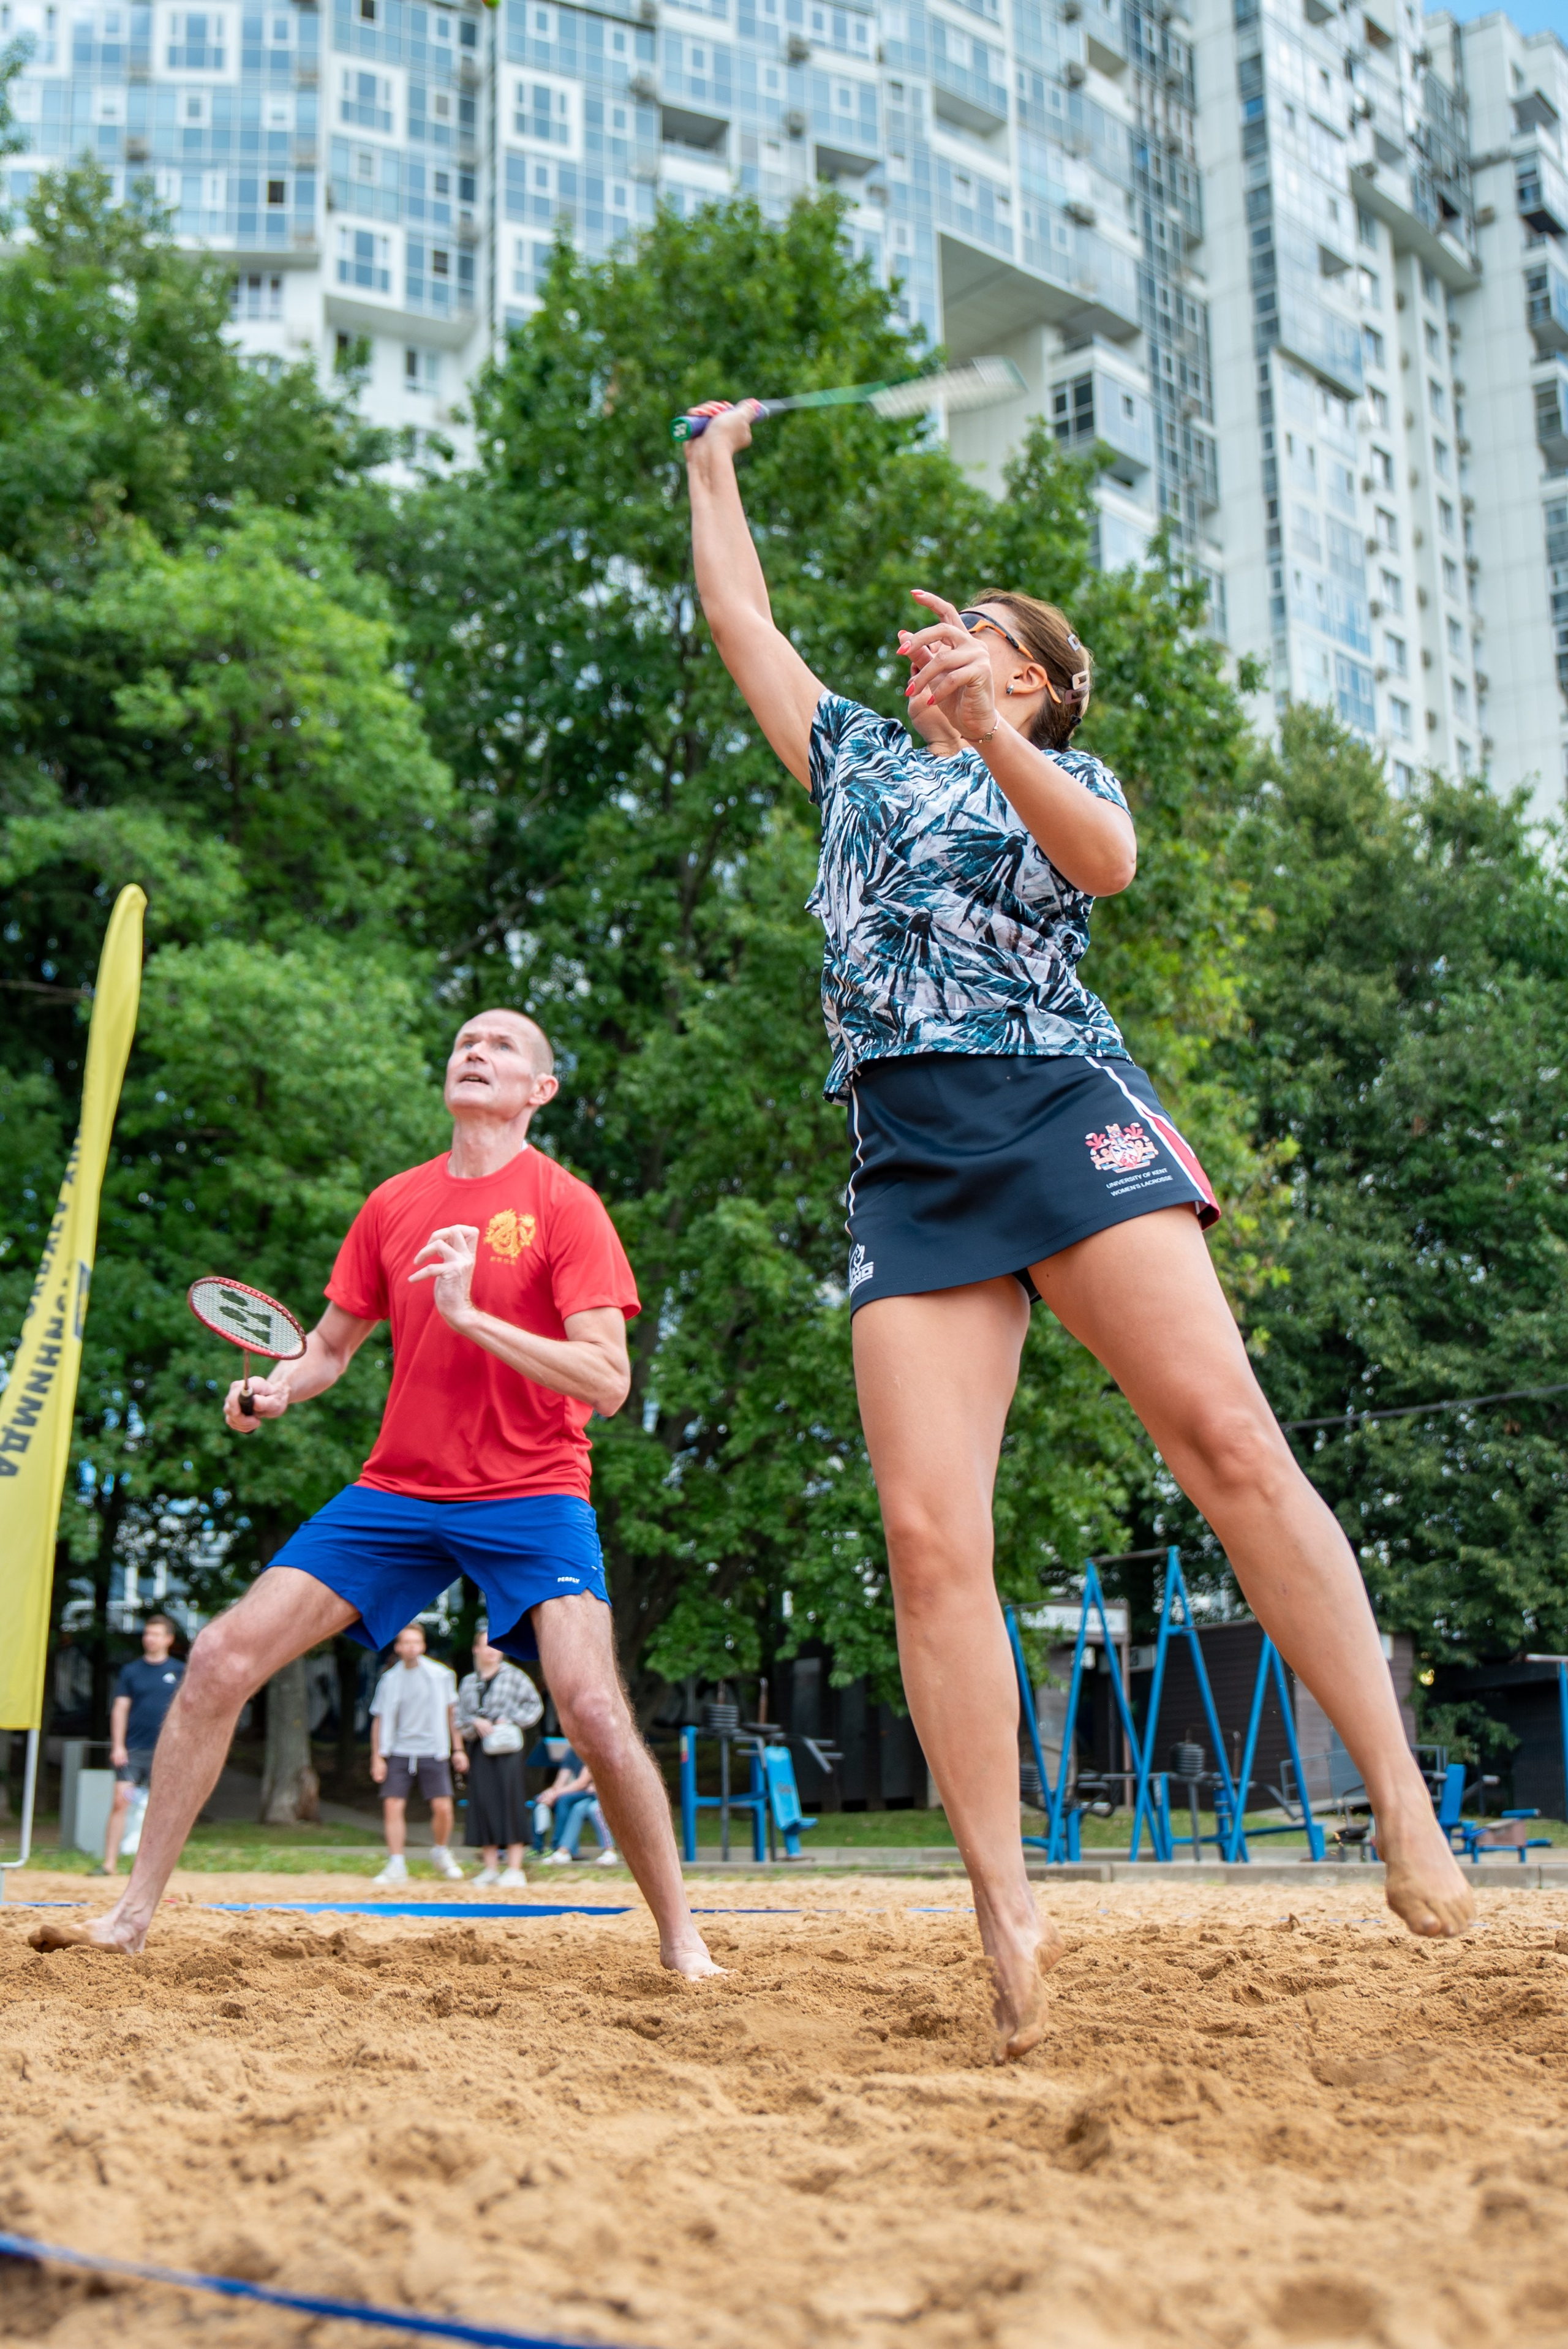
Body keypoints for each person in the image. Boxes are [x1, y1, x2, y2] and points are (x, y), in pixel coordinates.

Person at [681, 398, 1473, 2056]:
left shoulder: (1059, 769)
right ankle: (1005, 1903)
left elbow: (1104, 865)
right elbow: (741, 614)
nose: (949, 645)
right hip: (907, 1155)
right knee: (927, 1539)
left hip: (1058, 1107)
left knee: (1226, 1439)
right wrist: (710, 461)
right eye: (946, 632)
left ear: (1039, 680)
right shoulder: (855, 756)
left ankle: (1399, 1794)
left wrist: (998, 733)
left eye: (988, 636)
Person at [33, 1008, 718, 1980]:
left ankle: (683, 1940)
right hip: (400, 1489)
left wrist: (471, 1315)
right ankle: (130, 1915)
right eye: (466, 1041)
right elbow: (326, 1347)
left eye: (502, 1045)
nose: (475, 1050)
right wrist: (279, 1389)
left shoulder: (568, 1206)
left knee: (595, 1712)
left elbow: (608, 1380)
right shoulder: (395, 1202)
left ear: (540, 1090)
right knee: (220, 1654)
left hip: (533, 1489)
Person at [369, 1624, 464, 1884]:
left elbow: (452, 1715)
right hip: (399, 1751)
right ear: (398, 1647)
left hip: (433, 1750)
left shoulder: (441, 1675)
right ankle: (396, 1863)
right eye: (406, 1643)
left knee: (443, 1807)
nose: (411, 1647)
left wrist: (458, 1749)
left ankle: (441, 1851)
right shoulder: (390, 1680)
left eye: (416, 1642)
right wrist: (377, 1756)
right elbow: (379, 1718)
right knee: (392, 1805)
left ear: (423, 1646)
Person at [97, 1614, 184, 1876]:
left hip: (166, 1752)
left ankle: (155, 1868)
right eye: (147, 1634)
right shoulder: (131, 1671)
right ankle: (109, 1863)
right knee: (120, 1802)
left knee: (163, 1810)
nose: (150, 1639)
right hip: (133, 1749)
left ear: (168, 1639)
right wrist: (118, 1745)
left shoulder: (180, 1671)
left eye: (156, 1634)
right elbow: (120, 1709)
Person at [454, 1631, 543, 1885]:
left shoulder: (515, 1676)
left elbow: (535, 1706)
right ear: (476, 1650)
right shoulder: (469, 1682)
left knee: (510, 1801)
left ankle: (515, 1868)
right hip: (480, 1748)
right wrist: (476, 1722)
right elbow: (460, 1718)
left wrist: (511, 1720)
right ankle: (491, 1868)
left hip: (508, 1749)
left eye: (495, 1646)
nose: (491, 1651)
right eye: (486, 1646)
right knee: (483, 1803)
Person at [537, 1752, 618, 1867]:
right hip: (594, 1796)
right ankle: (564, 1851)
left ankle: (610, 1851)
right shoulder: (575, 1754)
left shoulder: (599, 1753)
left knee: (594, 1810)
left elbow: (584, 1782)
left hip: (609, 1797)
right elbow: (574, 1782)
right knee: (577, 1809)